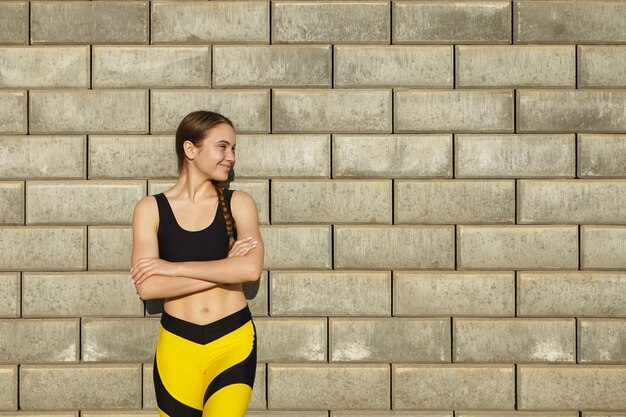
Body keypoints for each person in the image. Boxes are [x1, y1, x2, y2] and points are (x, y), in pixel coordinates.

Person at [129, 110, 264, 417]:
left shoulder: (239, 202)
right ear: (190, 149)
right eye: (222, 146)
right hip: (177, 344)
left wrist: (172, 267)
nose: (230, 156)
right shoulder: (150, 209)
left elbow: (250, 269)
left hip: (233, 342)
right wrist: (224, 268)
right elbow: (148, 287)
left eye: (233, 149)